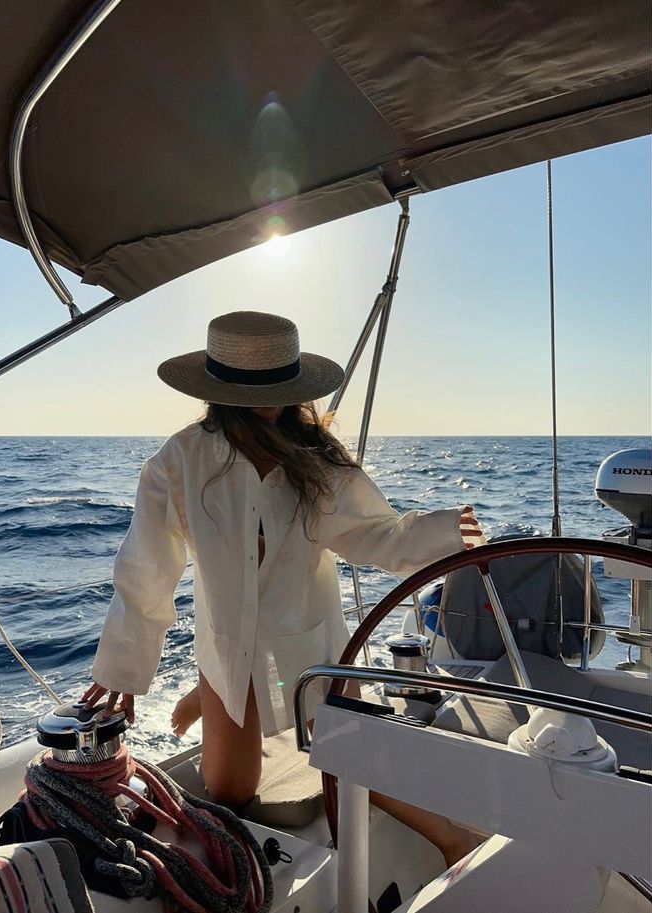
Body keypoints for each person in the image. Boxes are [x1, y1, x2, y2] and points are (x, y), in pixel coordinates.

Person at [82, 310, 485, 866]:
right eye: (255, 388)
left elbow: (376, 534)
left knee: (343, 752)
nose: (270, 402)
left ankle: (452, 838)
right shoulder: (181, 461)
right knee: (230, 794)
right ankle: (212, 688)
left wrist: (447, 532)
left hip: (306, 636)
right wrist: (121, 670)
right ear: (220, 389)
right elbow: (147, 569)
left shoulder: (317, 461)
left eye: (279, 387)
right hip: (228, 647)